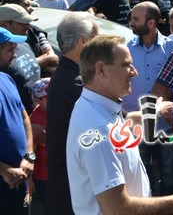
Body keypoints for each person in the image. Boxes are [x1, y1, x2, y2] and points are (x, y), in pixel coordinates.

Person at [65, 35, 173, 214]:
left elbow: (124, 123)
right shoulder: (100, 130)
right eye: (126, 65)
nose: (134, 72)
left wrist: (156, 111)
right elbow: (117, 208)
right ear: (100, 69)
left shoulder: (96, 107)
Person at [45, 12, 99, 215]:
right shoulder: (75, 82)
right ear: (83, 42)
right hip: (71, 186)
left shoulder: (70, 75)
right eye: (97, 40)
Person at [125, 2, 173, 196]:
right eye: (131, 18)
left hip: (165, 125)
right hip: (137, 127)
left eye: (135, 19)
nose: (131, 22)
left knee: (169, 173)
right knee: (140, 174)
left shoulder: (172, 49)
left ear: (151, 23)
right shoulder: (125, 49)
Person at [0, 27, 35, 215]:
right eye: (10, 50)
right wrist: (4, 170)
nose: (14, 56)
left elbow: (23, 117)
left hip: (19, 180)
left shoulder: (6, 78)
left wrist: (29, 155)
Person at [0, 4, 42, 112]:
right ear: (4, 25)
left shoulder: (25, 44)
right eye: (22, 23)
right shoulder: (3, 59)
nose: (28, 26)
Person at [29, 77, 49, 215]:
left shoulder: (54, 111)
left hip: (56, 171)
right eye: (49, 97)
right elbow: (31, 151)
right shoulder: (35, 120)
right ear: (38, 99)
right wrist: (29, 180)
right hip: (43, 176)